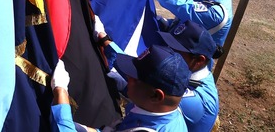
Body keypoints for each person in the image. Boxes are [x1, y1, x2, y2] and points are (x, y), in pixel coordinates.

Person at [52, 45, 190, 132]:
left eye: (134, 78)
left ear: (156, 96)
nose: (127, 78)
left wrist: (61, 92)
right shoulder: (165, 111)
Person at [159, 20, 221, 132]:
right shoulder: (195, 73)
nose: (167, 51)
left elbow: (145, 96)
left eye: (174, 50)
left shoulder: (190, 100)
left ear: (199, 60)